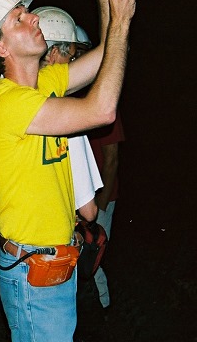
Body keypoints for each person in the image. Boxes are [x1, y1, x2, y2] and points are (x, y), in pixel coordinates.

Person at [0, 0, 136, 341]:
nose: (34, 19)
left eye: (27, 12)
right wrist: (124, 20)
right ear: (1, 48)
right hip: (32, 277)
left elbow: (101, 59)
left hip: (54, 266)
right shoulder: (6, 105)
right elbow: (102, 110)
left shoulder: (41, 86)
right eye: (19, 18)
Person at [35, 5, 103, 223]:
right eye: (72, 58)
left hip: (13, 247)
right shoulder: (64, 114)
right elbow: (88, 211)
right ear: (54, 55)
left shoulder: (6, 97)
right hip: (53, 247)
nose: (74, 65)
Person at [88, 107, 125, 314]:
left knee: (93, 256)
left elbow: (111, 161)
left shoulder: (106, 107)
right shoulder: (71, 102)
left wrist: (100, 209)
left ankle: (103, 308)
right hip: (77, 198)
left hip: (102, 197)